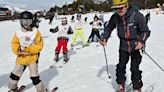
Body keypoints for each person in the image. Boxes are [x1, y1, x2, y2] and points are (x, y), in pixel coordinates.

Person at [100, 0, 150, 92]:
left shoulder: (137, 16)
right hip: (123, 45)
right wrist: (105, 37)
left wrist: (141, 41)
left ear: (126, 6)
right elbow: (109, 28)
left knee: (134, 68)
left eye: (120, 8)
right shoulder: (115, 17)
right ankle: (121, 84)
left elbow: (145, 31)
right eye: (116, 9)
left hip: (136, 46)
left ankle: (137, 86)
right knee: (121, 66)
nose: (118, 11)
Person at [8, 11, 46, 92]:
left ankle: (42, 90)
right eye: (24, 22)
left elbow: (39, 46)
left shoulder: (35, 32)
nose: (26, 24)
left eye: (28, 22)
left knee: (34, 77)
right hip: (21, 57)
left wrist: (28, 49)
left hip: (32, 58)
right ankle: (13, 89)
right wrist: (17, 50)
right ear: (20, 22)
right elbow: (14, 43)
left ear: (32, 21)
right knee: (14, 75)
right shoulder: (18, 33)